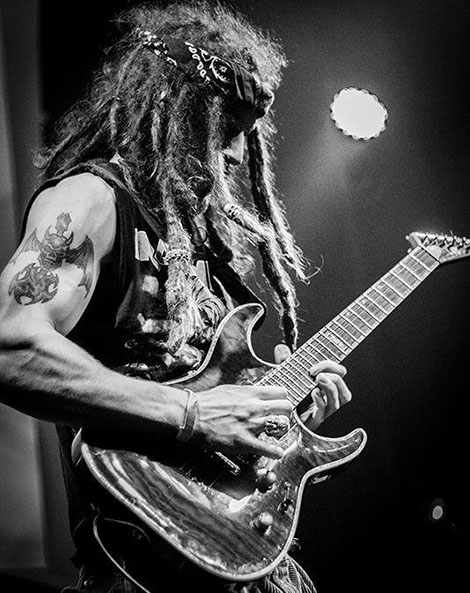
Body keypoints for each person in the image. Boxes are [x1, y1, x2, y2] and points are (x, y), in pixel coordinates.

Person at [0, 2, 353, 592]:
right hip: (139, 565)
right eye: (227, 129)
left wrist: (281, 423)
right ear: (171, 106)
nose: (236, 155)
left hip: (239, 558)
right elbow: (10, 347)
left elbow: (213, 412)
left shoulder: (204, 249)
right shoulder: (91, 201)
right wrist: (191, 414)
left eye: (245, 135)